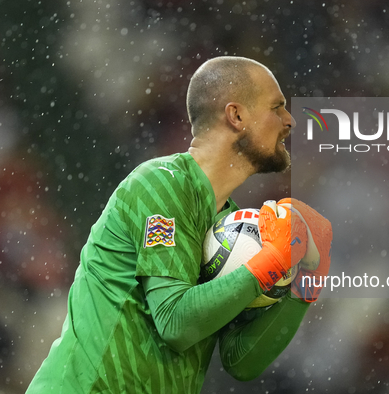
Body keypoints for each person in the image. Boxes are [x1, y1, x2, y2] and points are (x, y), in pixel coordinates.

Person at [26, 56, 332, 393]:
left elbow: (241, 360)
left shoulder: (232, 230)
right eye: (276, 107)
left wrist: (306, 279)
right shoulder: (159, 185)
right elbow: (175, 322)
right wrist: (271, 262)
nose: (289, 121)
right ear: (237, 116)